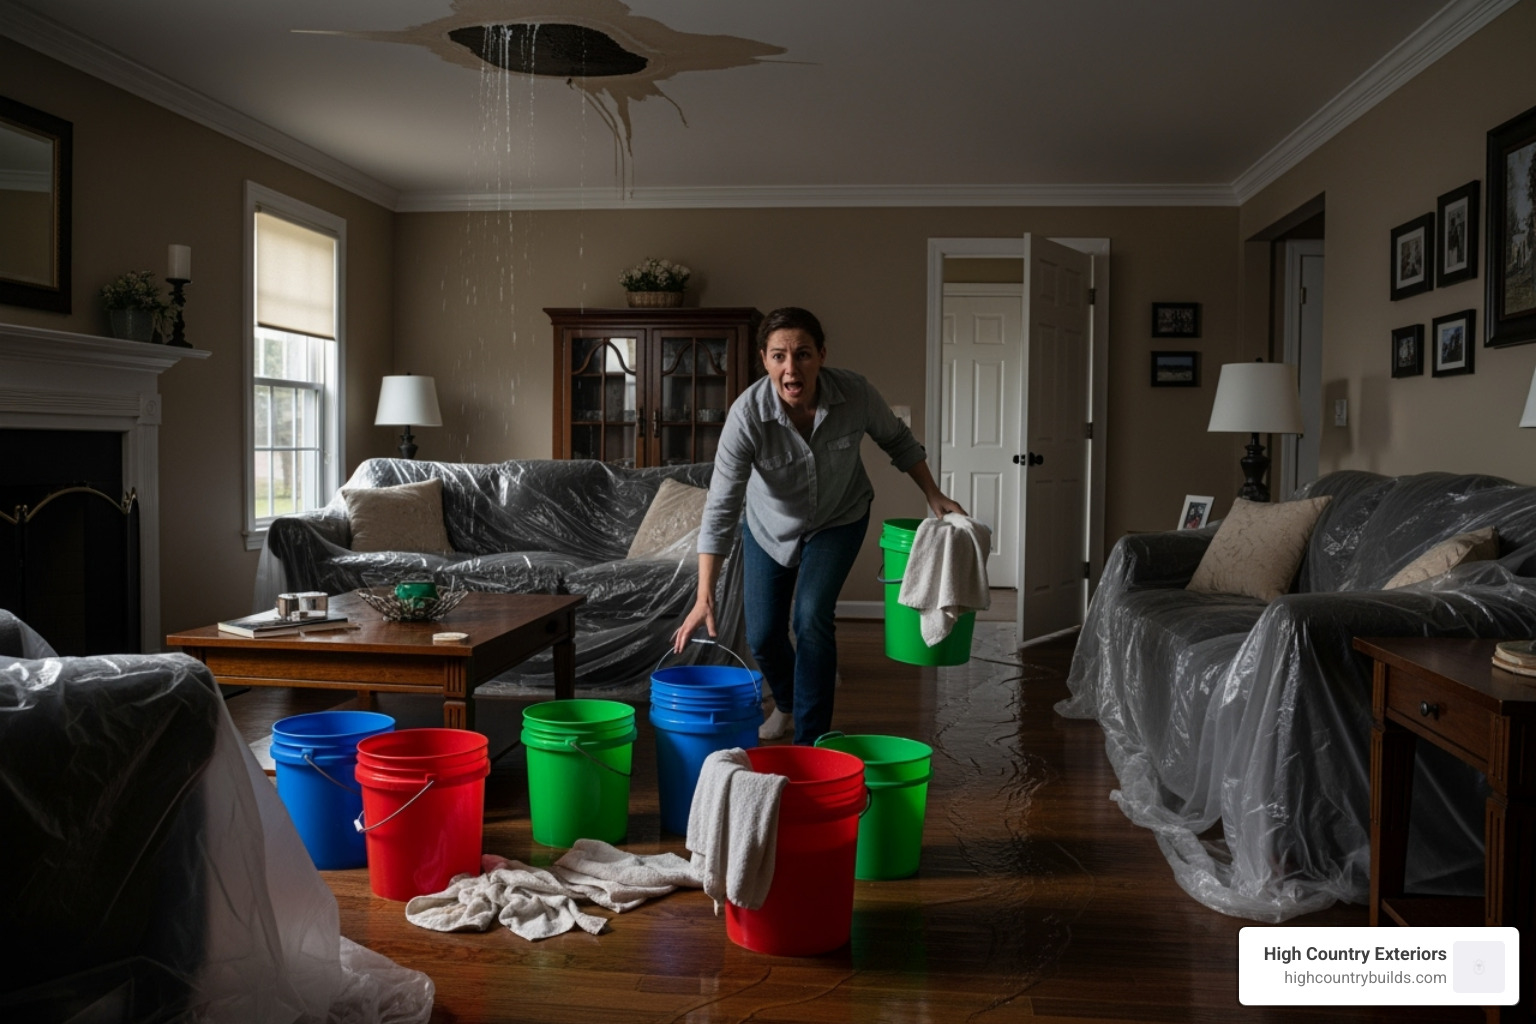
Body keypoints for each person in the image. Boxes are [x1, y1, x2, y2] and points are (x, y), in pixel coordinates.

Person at [671, 307, 966, 745]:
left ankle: (811, 742)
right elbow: (720, 507)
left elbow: (898, 440)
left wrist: (933, 494)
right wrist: (704, 593)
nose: (792, 368)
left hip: (838, 518)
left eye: (803, 354)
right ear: (765, 360)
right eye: (779, 356)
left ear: (822, 355)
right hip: (769, 525)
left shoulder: (856, 393)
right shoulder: (746, 416)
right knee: (765, 634)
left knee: (811, 617)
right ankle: (788, 701)